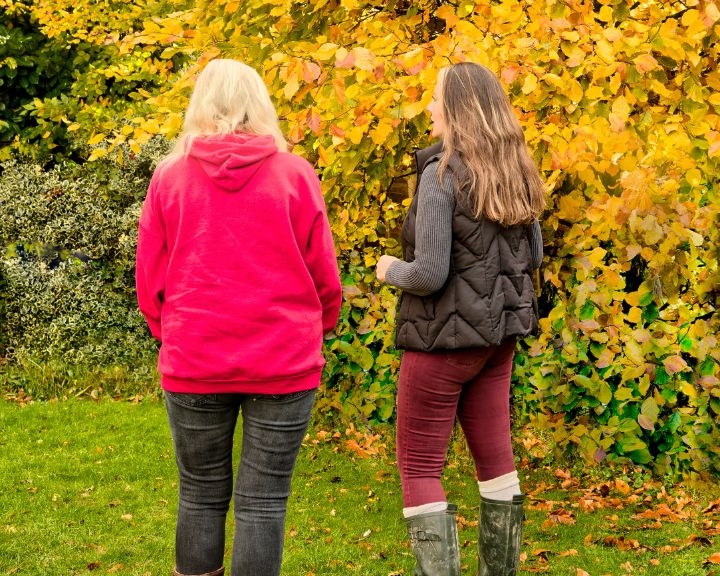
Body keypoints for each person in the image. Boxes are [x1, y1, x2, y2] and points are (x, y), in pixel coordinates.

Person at [136, 59, 342, 576]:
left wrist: (172, 333)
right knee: (263, 502)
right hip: (283, 359)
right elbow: (325, 277)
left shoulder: (170, 177)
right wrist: (315, 329)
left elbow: (149, 280)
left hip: (195, 356)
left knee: (200, 495)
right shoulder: (295, 175)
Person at [376, 62, 546, 576]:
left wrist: (390, 270)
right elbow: (533, 257)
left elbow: (428, 272)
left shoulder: (441, 174)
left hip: (442, 345)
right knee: (497, 461)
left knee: (421, 467)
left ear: (456, 108)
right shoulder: (515, 169)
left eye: (434, 98)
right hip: (497, 344)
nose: (428, 106)